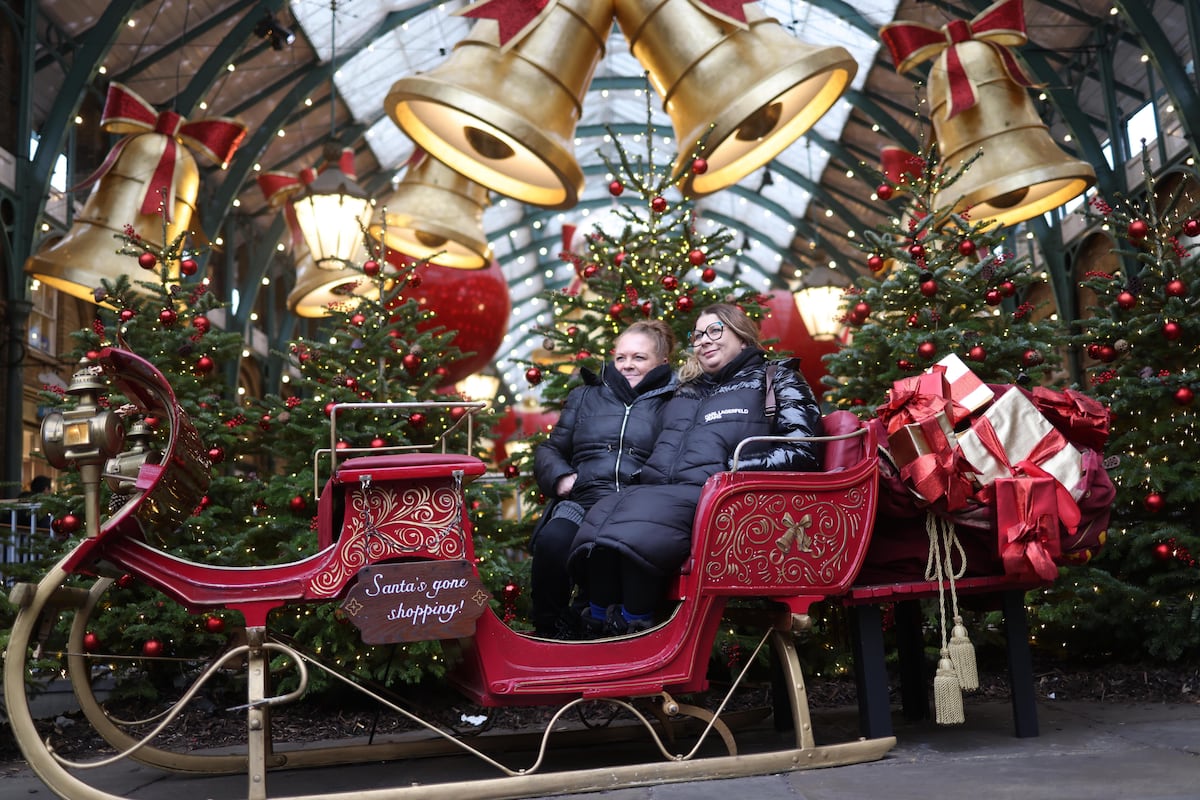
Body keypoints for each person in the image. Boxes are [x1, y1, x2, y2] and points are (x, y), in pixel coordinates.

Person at [568, 303, 823, 636]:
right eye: (698, 334)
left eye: (715, 331)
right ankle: (597, 622)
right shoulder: (686, 389)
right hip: (660, 490)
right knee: (597, 531)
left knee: (638, 527)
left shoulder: (776, 378)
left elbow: (803, 449)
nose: (704, 340)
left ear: (742, 337)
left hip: (718, 495)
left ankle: (633, 624)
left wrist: (732, 469)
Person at [530, 320, 678, 638]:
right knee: (552, 543)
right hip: (582, 497)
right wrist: (562, 478)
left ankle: (611, 630)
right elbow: (550, 449)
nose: (627, 365)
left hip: (636, 506)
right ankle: (549, 632)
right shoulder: (586, 396)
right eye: (621, 357)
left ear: (663, 361)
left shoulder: (676, 400)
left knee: (616, 552)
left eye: (639, 357)